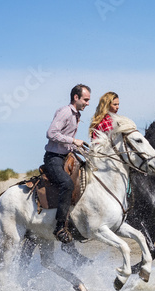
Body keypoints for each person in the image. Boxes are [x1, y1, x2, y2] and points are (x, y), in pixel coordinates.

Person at [44, 84, 91, 243]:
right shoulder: (65, 111)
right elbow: (51, 133)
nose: (88, 103)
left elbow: (65, 142)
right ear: (76, 98)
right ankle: (59, 227)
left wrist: (79, 149)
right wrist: (73, 140)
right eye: (85, 99)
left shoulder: (76, 115)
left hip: (65, 156)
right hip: (53, 158)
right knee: (67, 184)